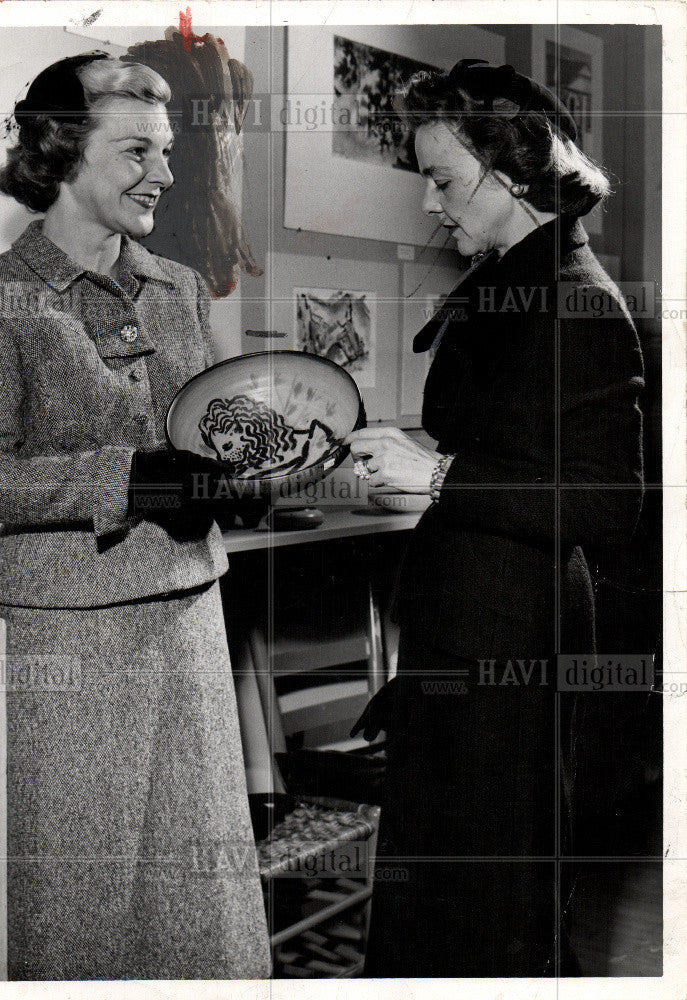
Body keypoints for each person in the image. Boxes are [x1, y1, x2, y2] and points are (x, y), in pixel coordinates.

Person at [0, 52, 271, 980]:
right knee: (77, 896)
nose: (162, 174)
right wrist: (135, 480)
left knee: (201, 897)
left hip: (190, 614)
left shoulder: (182, 288)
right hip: (66, 640)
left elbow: (207, 437)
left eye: (165, 153)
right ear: (60, 151)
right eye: (135, 153)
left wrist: (249, 470)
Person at [347, 60, 645, 977]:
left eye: (441, 180)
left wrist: (437, 473)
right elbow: (508, 452)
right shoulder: (512, 280)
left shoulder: (579, 300)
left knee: (490, 898)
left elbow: (608, 500)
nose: (432, 206)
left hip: (513, 636)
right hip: (469, 627)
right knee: (448, 890)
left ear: (508, 169)